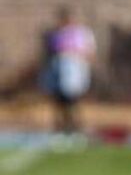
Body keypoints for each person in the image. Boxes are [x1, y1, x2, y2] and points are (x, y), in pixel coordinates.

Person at [40, 8, 96, 136]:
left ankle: (75, 128)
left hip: (74, 73)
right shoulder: (55, 34)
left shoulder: (82, 33)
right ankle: (59, 128)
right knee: (58, 102)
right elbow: (49, 53)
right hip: (57, 71)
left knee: (73, 101)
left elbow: (89, 52)